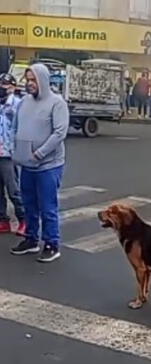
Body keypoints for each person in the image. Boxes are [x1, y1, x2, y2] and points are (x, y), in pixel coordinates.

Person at [10, 63, 69, 263]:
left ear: (43, 80)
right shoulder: (24, 102)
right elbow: (16, 126)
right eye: (27, 80)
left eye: (33, 80)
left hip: (48, 165)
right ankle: (31, 239)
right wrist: (15, 148)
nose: (30, 84)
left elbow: (60, 133)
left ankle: (52, 244)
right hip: (27, 164)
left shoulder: (57, 103)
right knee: (29, 205)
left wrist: (40, 153)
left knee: (47, 206)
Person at [0, 73, 26, 236]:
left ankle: (24, 219)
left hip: (9, 154)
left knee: (13, 189)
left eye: (6, 85)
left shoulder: (18, 104)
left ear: (13, 87)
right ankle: (3, 220)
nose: (3, 88)